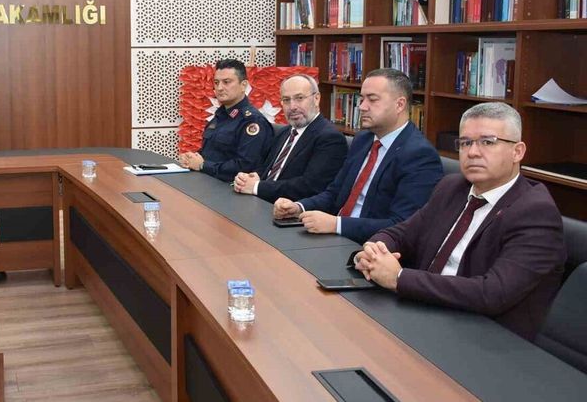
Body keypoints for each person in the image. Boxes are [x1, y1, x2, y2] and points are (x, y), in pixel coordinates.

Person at [354, 103, 565, 340]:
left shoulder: (536, 213)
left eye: (488, 142)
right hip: (422, 311)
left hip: (481, 336)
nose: (473, 152)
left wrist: (399, 278)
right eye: (465, 143)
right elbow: (402, 233)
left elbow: (492, 293)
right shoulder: (452, 187)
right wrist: (374, 251)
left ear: (517, 151)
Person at [273, 68, 442, 243]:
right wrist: (299, 207)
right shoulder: (363, 139)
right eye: (362, 99)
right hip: (333, 236)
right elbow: (335, 193)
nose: (362, 107)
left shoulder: (420, 156)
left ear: (399, 104)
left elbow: (402, 225)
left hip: (370, 247)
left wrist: (337, 224)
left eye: (372, 99)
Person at [233, 74, 347, 203]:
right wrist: (251, 178)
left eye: (299, 98)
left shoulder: (330, 138)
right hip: (260, 201)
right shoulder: (285, 132)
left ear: (316, 99)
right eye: (286, 100)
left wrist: (257, 187)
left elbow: (310, 186)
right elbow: (267, 167)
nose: (292, 107)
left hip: (290, 209)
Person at [179, 59, 272, 182]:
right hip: (207, 181)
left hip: (230, 187)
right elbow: (212, 153)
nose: (219, 88)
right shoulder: (220, 115)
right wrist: (192, 158)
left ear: (243, 85)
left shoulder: (252, 121)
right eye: (216, 82)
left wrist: (203, 165)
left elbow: (245, 166)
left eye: (226, 82)